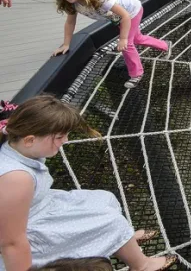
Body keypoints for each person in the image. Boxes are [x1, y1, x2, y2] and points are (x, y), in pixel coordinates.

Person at [0, 96, 176, 271]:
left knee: (104, 199)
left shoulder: (19, 148)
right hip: (32, 233)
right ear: (30, 140)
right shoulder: (16, 178)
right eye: (60, 137)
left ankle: (121, 242)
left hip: (42, 207)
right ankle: (141, 265)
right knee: (111, 221)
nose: (66, 141)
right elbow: (12, 241)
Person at [51, 0, 171, 89]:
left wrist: (123, 39)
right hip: (116, 16)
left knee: (127, 44)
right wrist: (66, 44)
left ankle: (136, 75)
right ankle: (165, 45)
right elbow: (70, 22)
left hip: (130, 11)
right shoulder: (72, 4)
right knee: (136, 38)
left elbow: (125, 16)